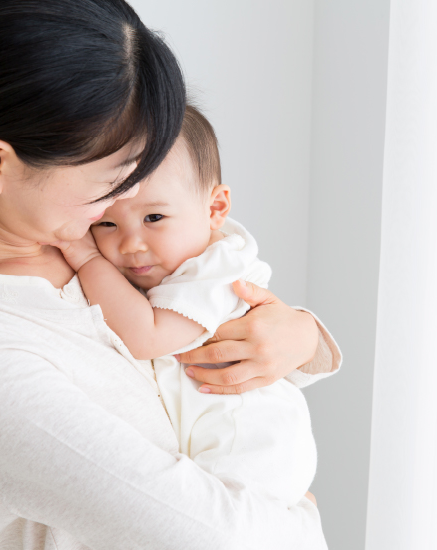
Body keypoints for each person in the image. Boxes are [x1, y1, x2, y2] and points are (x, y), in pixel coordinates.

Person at [0, 1, 341, 549]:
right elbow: (204, 537)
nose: (132, 200)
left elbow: (214, 319)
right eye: (113, 178)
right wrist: (298, 524)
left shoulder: (85, 230)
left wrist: (297, 336)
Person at [54, 104, 321, 507]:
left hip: (246, 447)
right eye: (105, 224)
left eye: (155, 217)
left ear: (215, 209)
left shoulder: (218, 269)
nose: (130, 244)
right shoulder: (165, 267)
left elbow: (147, 337)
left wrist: (88, 258)